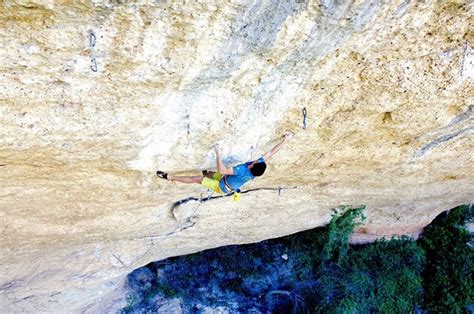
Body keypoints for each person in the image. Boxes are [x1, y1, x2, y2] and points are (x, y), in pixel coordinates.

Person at [156, 132, 293, 195]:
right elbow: (270, 153)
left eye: (255, 162)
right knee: (207, 174)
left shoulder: (242, 171)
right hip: (226, 180)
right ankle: (205, 176)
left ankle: (171, 177)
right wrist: (285, 141)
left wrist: (218, 152)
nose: (257, 160)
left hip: (221, 187)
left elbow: (222, 170)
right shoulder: (256, 167)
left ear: (252, 166)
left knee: (197, 179)